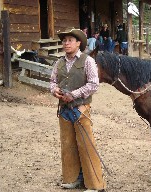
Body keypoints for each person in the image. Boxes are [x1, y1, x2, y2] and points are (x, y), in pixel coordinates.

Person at [50, 27, 106, 192]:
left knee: (86, 146)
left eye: (70, 40)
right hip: (65, 111)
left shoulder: (87, 61)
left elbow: (94, 84)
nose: (66, 43)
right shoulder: (59, 62)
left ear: (78, 43)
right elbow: (52, 81)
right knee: (68, 146)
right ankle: (73, 178)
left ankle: (95, 185)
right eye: (64, 40)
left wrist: (74, 94)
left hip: (80, 109)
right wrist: (55, 90)